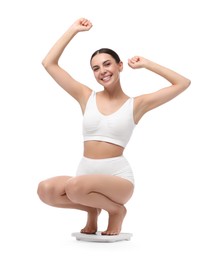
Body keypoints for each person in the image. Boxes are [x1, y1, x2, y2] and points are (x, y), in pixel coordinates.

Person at [37, 18, 191, 236]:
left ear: (120, 66)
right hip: (84, 178)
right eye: (96, 68)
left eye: (107, 64)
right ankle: (93, 210)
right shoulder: (85, 96)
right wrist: (73, 30)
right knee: (46, 190)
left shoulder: (136, 105)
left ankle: (116, 211)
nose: (102, 71)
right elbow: (49, 63)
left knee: (74, 187)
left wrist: (147, 64)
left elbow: (183, 83)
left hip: (118, 181)